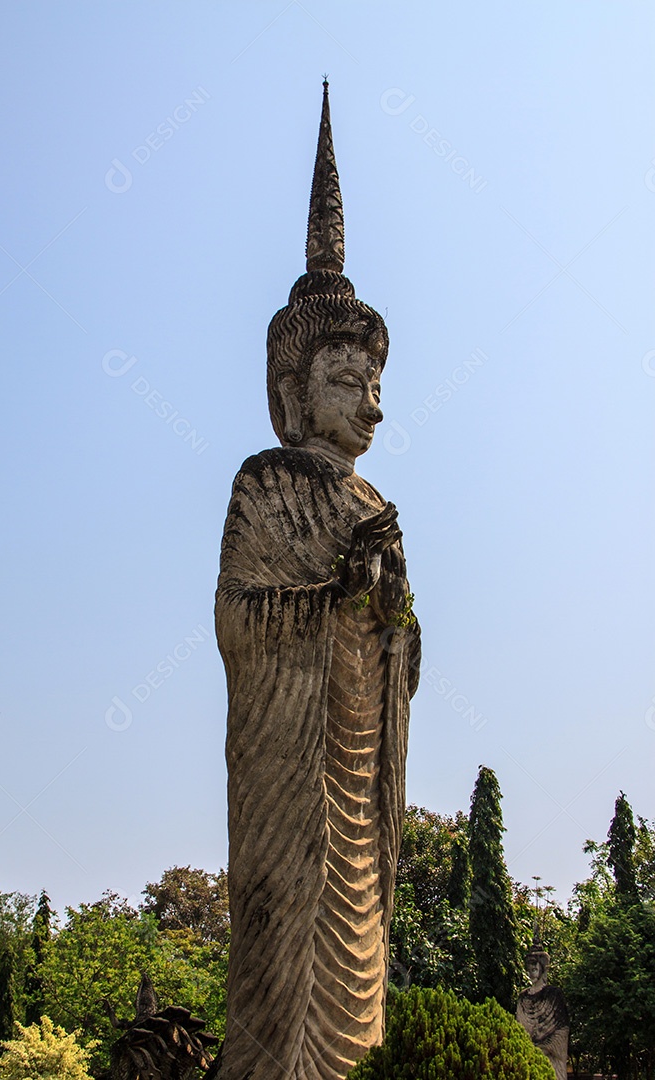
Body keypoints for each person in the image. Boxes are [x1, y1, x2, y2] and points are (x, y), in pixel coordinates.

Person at [214, 82, 420, 1080]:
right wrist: (333, 600)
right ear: (295, 392)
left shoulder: (373, 502)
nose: (368, 402)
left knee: (365, 954)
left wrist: (386, 610)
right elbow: (239, 622)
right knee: (284, 963)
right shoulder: (268, 483)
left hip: (357, 770)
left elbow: (403, 655)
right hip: (290, 787)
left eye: (376, 384)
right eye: (348, 381)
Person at [516, 939, 570, 1080]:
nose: (531, 971)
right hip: (528, 1058)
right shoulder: (522, 997)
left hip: (550, 1059)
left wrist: (543, 1047)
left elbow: (562, 1031)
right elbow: (518, 1030)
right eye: (529, 968)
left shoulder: (553, 995)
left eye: (534, 967)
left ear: (542, 967)